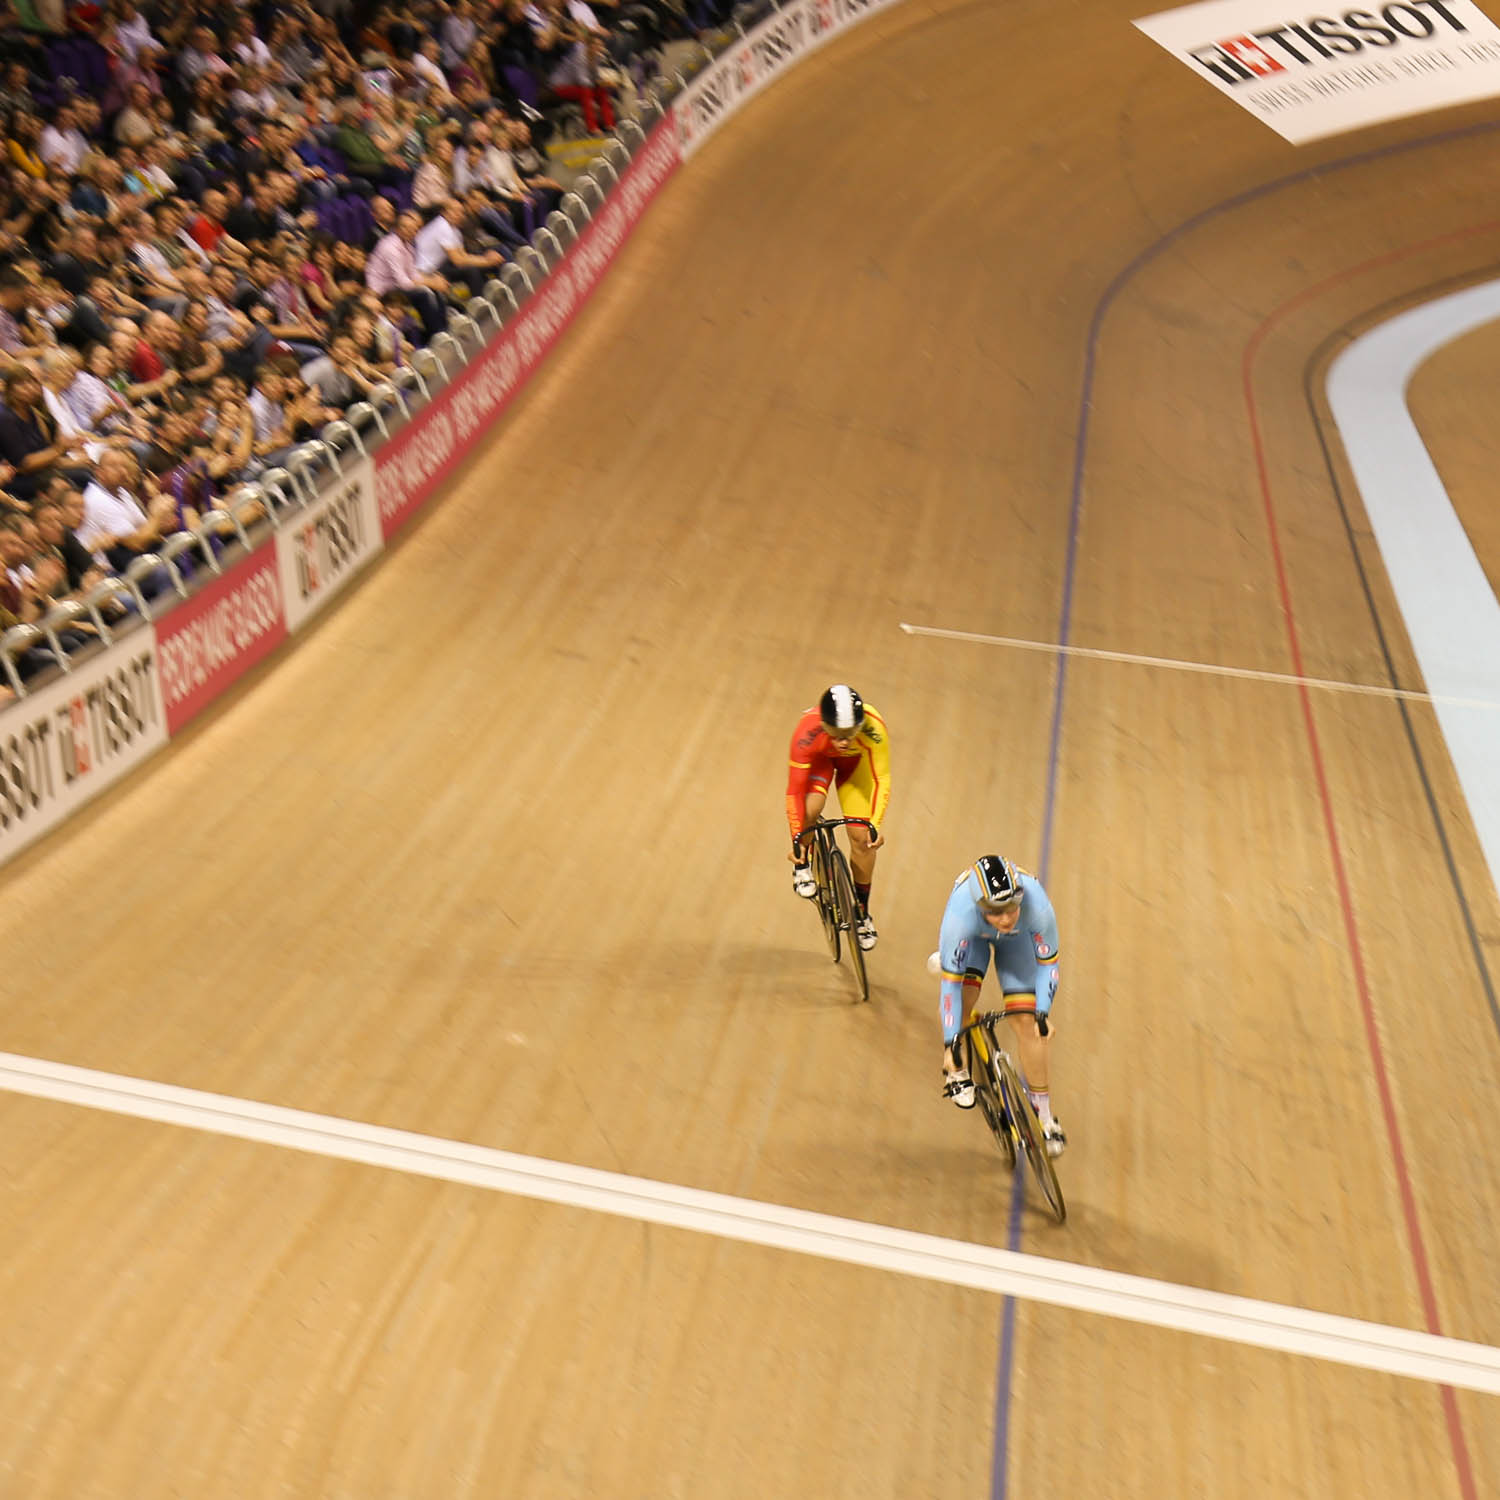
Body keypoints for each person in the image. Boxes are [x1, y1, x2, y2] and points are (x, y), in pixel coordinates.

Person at [930, 854, 1065, 1156]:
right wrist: (951, 1043)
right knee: (964, 998)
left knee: (1030, 1027)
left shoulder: (1036, 905)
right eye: (995, 911)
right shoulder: (961, 914)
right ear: (980, 906)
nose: (1005, 918)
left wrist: (1042, 1012)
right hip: (972, 938)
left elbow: (1049, 965)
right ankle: (956, 1069)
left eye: (1010, 907)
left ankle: (1044, 1116)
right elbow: (949, 986)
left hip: (1016, 943)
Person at [785, 684, 888, 951]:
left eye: (850, 733)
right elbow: (794, 790)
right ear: (824, 725)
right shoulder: (806, 732)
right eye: (837, 734)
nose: (844, 741)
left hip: (855, 769)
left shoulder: (874, 727)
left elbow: (881, 779)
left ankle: (861, 912)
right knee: (810, 809)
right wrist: (797, 841)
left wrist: (875, 825)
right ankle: (803, 866)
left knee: (862, 839)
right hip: (821, 762)